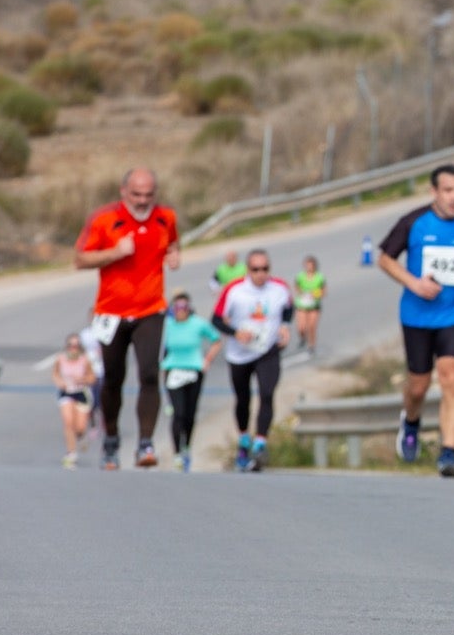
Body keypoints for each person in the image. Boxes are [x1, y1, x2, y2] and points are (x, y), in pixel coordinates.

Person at [378, 164, 454, 478]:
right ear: (434, 192)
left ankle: (449, 452)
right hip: (416, 316)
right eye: (447, 191)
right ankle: (411, 421)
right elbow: (384, 257)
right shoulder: (413, 222)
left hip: (453, 316)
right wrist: (413, 283)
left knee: (450, 380)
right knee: (418, 386)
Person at [74, 167, 181, 471]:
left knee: (149, 373)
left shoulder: (166, 217)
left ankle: (145, 443)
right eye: (136, 194)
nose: (142, 201)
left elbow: (172, 243)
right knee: (113, 379)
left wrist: (174, 255)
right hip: (111, 311)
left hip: (151, 308)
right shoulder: (104, 219)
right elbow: (79, 259)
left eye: (148, 195)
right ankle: (111, 440)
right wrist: (114, 253)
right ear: (124, 192)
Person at [211, 249, 293, 473]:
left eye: (265, 269)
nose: (261, 274)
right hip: (240, 353)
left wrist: (285, 326)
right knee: (243, 398)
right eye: (256, 269)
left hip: (268, 349)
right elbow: (216, 319)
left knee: (267, 393)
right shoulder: (235, 290)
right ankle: (244, 440)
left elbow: (288, 308)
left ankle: (260, 443)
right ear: (248, 270)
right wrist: (235, 332)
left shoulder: (279, 287)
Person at [161, 290, 222, 472]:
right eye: (177, 307)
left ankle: (186, 446)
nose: (181, 310)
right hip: (173, 370)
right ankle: (177, 453)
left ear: (189, 308)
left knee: (189, 414)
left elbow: (216, 340)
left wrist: (207, 360)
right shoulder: (167, 325)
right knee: (178, 413)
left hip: (194, 370)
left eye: (184, 307)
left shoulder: (198, 324)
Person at [52, 334, 97, 468]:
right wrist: (60, 382)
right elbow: (55, 374)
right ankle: (71, 453)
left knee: (80, 427)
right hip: (66, 393)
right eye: (71, 346)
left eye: (76, 346)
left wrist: (82, 380)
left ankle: (81, 436)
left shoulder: (85, 360)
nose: (73, 349)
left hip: (81, 393)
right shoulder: (60, 359)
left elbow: (92, 377)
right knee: (68, 422)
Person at [78, 306, 106, 439]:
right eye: (93, 316)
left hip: (103, 370)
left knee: (104, 400)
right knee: (90, 402)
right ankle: (93, 425)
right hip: (89, 372)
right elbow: (80, 352)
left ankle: (105, 424)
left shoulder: (106, 333)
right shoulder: (85, 334)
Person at [293, 256, 326, 353]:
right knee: (301, 327)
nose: (309, 268)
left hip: (314, 305)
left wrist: (315, 294)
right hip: (302, 304)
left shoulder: (319, 277)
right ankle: (303, 338)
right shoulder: (300, 276)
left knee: (311, 326)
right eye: (307, 265)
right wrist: (302, 293)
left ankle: (312, 345)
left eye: (311, 266)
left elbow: (324, 291)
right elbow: (297, 286)